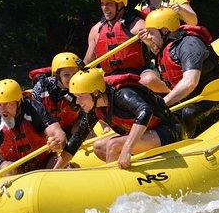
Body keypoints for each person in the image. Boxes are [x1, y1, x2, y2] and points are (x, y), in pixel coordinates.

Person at [53, 68, 181, 169]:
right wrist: (56, 169)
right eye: (75, 96)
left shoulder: (122, 94)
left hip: (168, 131)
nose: (77, 101)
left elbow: (145, 111)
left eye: (81, 96)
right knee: (98, 146)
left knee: (114, 145)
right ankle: (129, 171)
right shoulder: (95, 107)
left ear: (96, 92)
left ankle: (112, 181)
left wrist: (127, 149)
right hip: (147, 135)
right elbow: (76, 139)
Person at [138, 8, 219, 139]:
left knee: (188, 113)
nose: (148, 37)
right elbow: (161, 53)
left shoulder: (189, 45)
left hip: (214, 98)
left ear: (165, 30)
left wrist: (162, 104)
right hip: (190, 99)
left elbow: (190, 82)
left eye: (151, 33)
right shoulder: (168, 44)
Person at [0, 79, 67, 191]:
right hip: (14, 169)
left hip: (43, 161)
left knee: (63, 163)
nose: (3, 109)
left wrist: (58, 141)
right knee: (7, 168)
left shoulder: (34, 109)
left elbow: (57, 131)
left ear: (19, 102)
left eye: (8, 104)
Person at [83, 0, 169, 93]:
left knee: (150, 80)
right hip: (111, 76)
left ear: (120, 4)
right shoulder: (96, 30)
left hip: (139, 72)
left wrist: (149, 41)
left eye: (109, 4)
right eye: (102, 4)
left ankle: (172, 99)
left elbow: (157, 50)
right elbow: (88, 61)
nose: (104, 8)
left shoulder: (137, 24)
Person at [29, 52, 85, 139]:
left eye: (74, 74)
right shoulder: (42, 86)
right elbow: (35, 109)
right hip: (48, 126)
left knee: (81, 129)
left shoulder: (83, 85)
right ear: (57, 75)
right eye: (66, 75)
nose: (71, 79)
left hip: (72, 124)